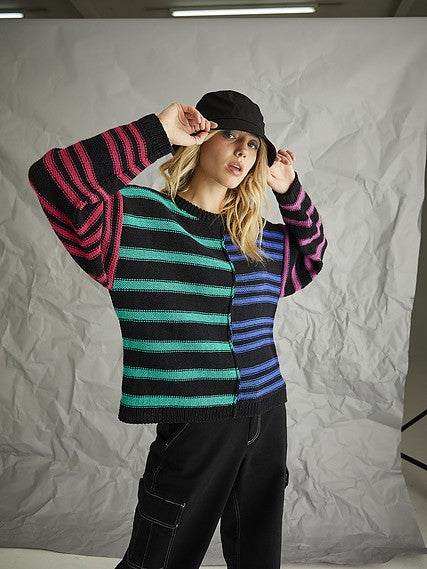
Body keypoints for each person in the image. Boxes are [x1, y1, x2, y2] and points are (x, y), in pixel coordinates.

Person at [28, 89, 328, 569]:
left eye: (253, 144)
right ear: (201, 137)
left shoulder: (257, 238)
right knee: (161, 558)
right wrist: (156, 133)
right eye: (230, 136)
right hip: (196, 420)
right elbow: (55, 179)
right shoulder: (136, 220)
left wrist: (289, 190)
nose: (243, 151)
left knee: (259, 555)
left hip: (267, 412)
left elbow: (313, 253)